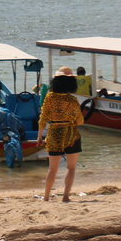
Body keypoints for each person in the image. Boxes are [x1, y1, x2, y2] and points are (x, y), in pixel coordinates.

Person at [37, 67, 84, 202]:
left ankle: (46, 197)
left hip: (54, 133)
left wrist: (39, 137)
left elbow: (43, 118)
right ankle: (65, 196)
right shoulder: (73, 100)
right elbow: (80, 120)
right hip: (71, 134)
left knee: (52, 169)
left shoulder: (49, 97)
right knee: (71, 168)